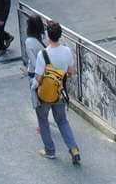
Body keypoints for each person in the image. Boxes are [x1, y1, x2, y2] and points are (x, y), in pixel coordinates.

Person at [34, 20, 81, 164]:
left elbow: (38, 77)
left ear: (48, 35)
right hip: (60, 92)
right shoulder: (66, 51)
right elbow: (71, 71)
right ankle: (74, 149)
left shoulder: (43, 54)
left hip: (45, 95)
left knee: (43, 120)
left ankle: (50, 151)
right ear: (60, 35)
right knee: (62, 121)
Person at [23, 15, 46, 111]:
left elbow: (34, 63)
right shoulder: (46, 37)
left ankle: (42, 123)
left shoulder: (29, 42)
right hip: (48, 71)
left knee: (37, 100)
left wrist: (26, 71)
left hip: (35, 74)